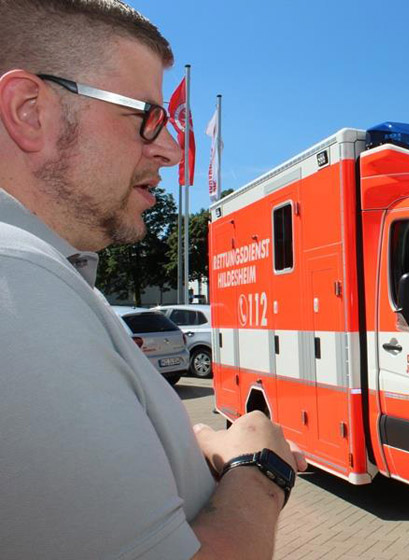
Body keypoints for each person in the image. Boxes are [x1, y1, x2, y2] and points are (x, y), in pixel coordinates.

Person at [0, 1, 305, 558]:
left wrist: (186, 453)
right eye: (145, 116)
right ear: (28, 112)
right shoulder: (17, 282)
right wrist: (261, 468)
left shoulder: (41, 275)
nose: (168, 149)